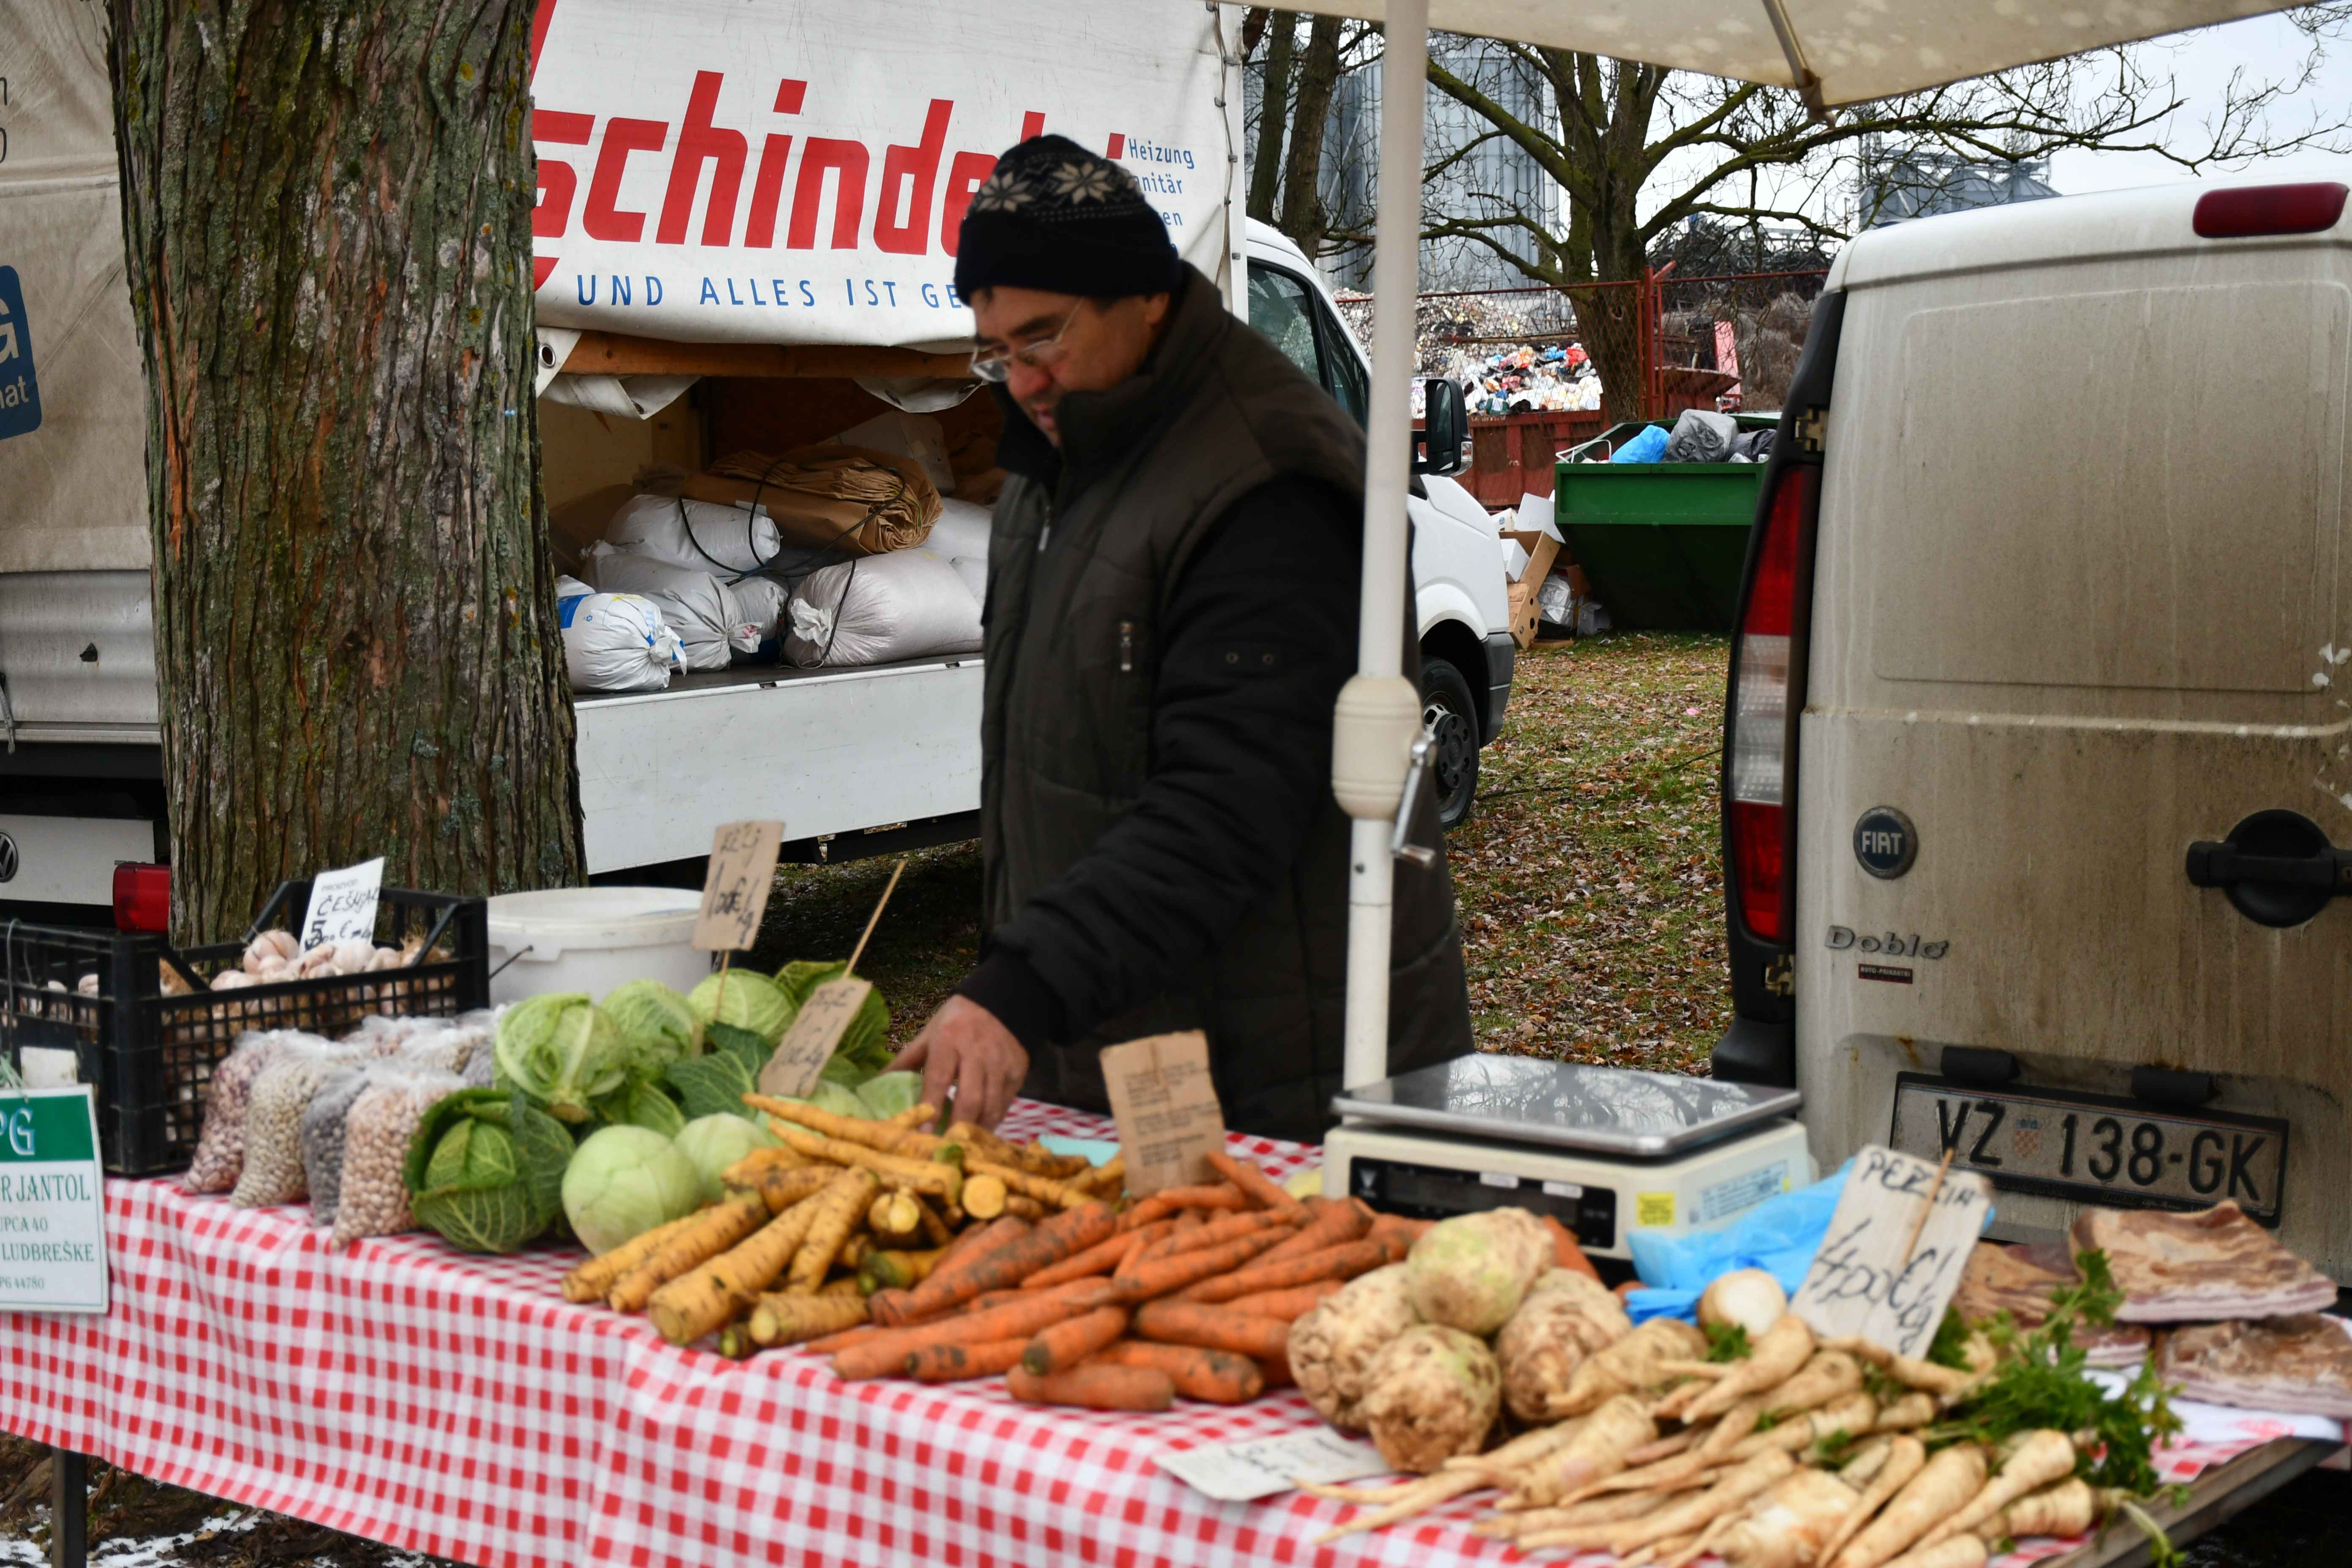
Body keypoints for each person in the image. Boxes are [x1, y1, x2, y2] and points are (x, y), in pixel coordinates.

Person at [887, 135, 1471, 1143]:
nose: (1022, 380)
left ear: (1147, 298)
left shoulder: (1267, 479)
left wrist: (1023, 985)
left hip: (1285, 1069)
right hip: (1127, 1041)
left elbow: (1230, 798)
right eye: (995, 351)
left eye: (1044, 338)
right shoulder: (1052, 462)